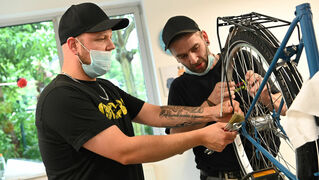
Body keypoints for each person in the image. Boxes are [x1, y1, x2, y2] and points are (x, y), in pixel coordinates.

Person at [35, 3, 242, 180]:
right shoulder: (60, 97)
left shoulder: (105, 87)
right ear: (73, 45)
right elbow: (125, 150)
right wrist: (202, 135)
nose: (111, 46)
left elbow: (156, 114)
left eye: (110, 37)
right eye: (101, 38)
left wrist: (209, 112)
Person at [162, 16, 286, 180]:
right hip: (221, 176)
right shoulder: (179, 88)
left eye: (195, 48)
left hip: (267, 170)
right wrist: (209, 104)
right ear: (174, 56)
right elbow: (175, 140)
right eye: (183, 56)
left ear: (205, 37)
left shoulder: (241, 58)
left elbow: (284, 108)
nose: (193, 59)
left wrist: (266, 97)